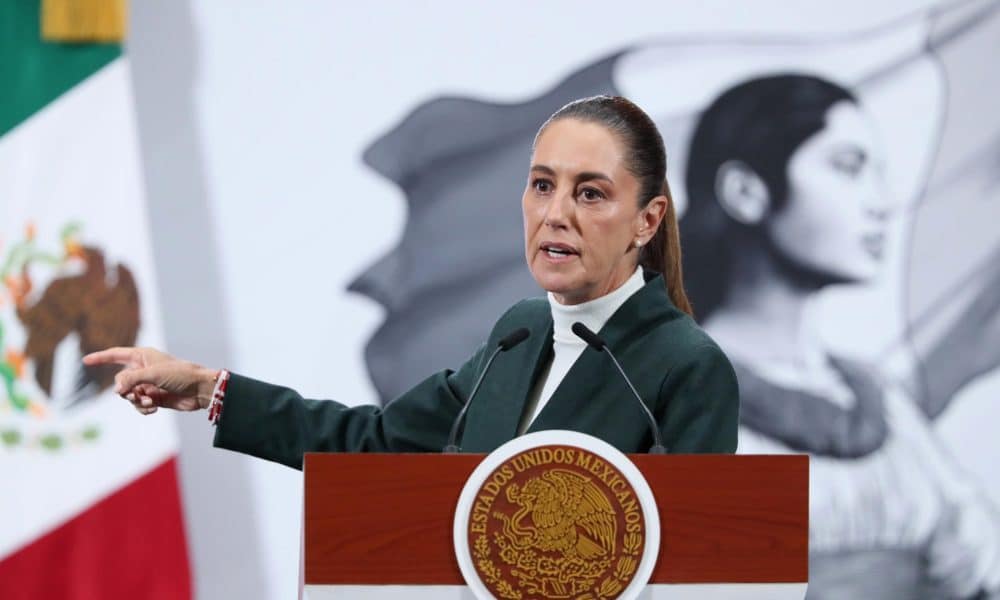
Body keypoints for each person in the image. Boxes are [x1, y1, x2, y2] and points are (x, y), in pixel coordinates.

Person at [84, 96, 740, 469]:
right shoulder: (521, 332)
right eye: (542, 185)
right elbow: (380, 444)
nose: (554, 214)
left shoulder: (683, 365)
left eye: (590, 193)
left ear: (646, 220)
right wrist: (208, 389)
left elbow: (700, 571)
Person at [681, 74, 1000, 599]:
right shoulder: (679, 398)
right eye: (847, 167)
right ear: (746, 191)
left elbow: (973, 561)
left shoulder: (880, 401)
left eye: (879, 173)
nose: (881, 203)